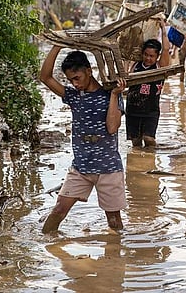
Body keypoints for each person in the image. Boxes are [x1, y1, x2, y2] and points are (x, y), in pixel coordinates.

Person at [39, 45, 127, 234]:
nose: (75, 84)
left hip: (108, 168)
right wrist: (57, 45)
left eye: (77, 78)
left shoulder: (110, 94)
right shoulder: (73, 96)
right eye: (70, 80)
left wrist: (114, 95)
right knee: (58, 210)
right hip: (81, 167)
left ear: (89, 71)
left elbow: (112, 127)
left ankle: (117, 259)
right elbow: (45, 77)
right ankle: (45, 246)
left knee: (114, 221)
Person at [125, 19, 170, 147]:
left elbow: (166, 49)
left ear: (156, 57)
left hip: (151, 111)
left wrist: (163, 28)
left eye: (151, 56)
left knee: (149, 138)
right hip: (132, 109)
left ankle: (151, 162)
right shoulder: (135, 65)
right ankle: (140, 165)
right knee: (136, 143)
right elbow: (126, 58)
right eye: (146, 55)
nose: (148, 58)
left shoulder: (159, 67)